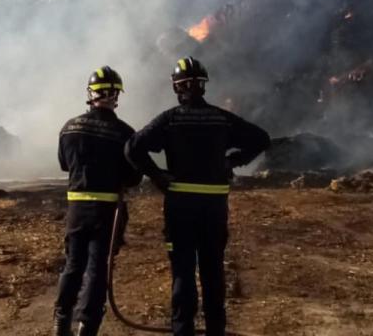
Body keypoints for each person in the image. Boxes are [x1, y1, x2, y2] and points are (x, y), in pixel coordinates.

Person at [126, 57, 270, 336]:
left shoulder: (169, 120)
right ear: (203, 86)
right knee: (213, 271)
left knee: (182, 272)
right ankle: (215, 330)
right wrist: (234, 160)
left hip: (180, 208)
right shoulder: (221, 119)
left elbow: (133, 148)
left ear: (176, 87)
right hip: (214, 209)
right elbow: (261, 138)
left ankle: (183, 331)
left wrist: (156, 176)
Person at [53, 66, 141, 336]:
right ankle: (87, 327)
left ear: (90, 94)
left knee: (73, 265)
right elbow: (133, 178)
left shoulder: (69, 127)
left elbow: (64, 165)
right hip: (108, 212)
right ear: (116, 95)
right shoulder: (125, 133)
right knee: (97, 268)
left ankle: (61, 321)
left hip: (77, 210)